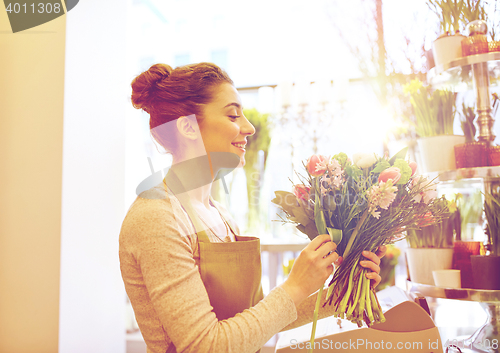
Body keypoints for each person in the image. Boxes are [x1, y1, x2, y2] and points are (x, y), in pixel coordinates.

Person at [119, 62, 386, 353]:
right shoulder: (156, 218)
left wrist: (342, 293)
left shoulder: (220, 215)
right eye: (233, 115)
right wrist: (294, 286)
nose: (248, 127)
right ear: (187, 126)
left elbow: (255, 319)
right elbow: (205, 345)